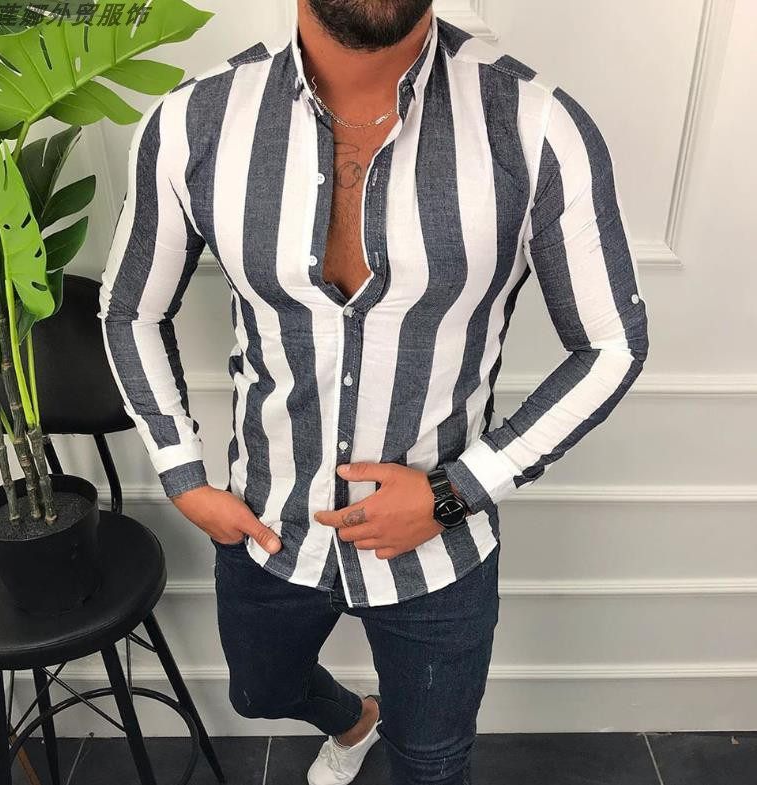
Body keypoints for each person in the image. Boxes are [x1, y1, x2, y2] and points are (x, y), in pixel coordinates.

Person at [98, 0, 649, 782]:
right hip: (267, 526)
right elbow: (130, 309)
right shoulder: (196, 121)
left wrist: (453, 493)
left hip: (440, 548)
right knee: (260, 692)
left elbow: (611, 343)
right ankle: (353, 719)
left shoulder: (533, 126)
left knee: (432, 761)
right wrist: (182, 473)